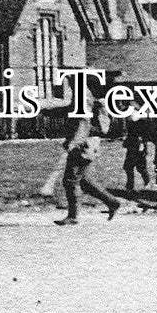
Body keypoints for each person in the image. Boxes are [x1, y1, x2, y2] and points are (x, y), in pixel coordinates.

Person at [57, 96, 122, 224]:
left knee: (71, 180)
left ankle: (73, 217)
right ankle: (112, 202)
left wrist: (73, 142)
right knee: (85, 181)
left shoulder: (83, 94)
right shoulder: (85, 94)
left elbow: (83, 122)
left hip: (83, 144)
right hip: (88, 142)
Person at [122, 114, 152, 191]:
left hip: (139, 147)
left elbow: (145, 134)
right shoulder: (131, 122)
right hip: (132, 147)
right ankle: (130, 186)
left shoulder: (142, 121)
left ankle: (147, 182)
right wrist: (126, 142)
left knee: (140, 168)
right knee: (128, 168)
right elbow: (130, 134)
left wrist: (142, 145)